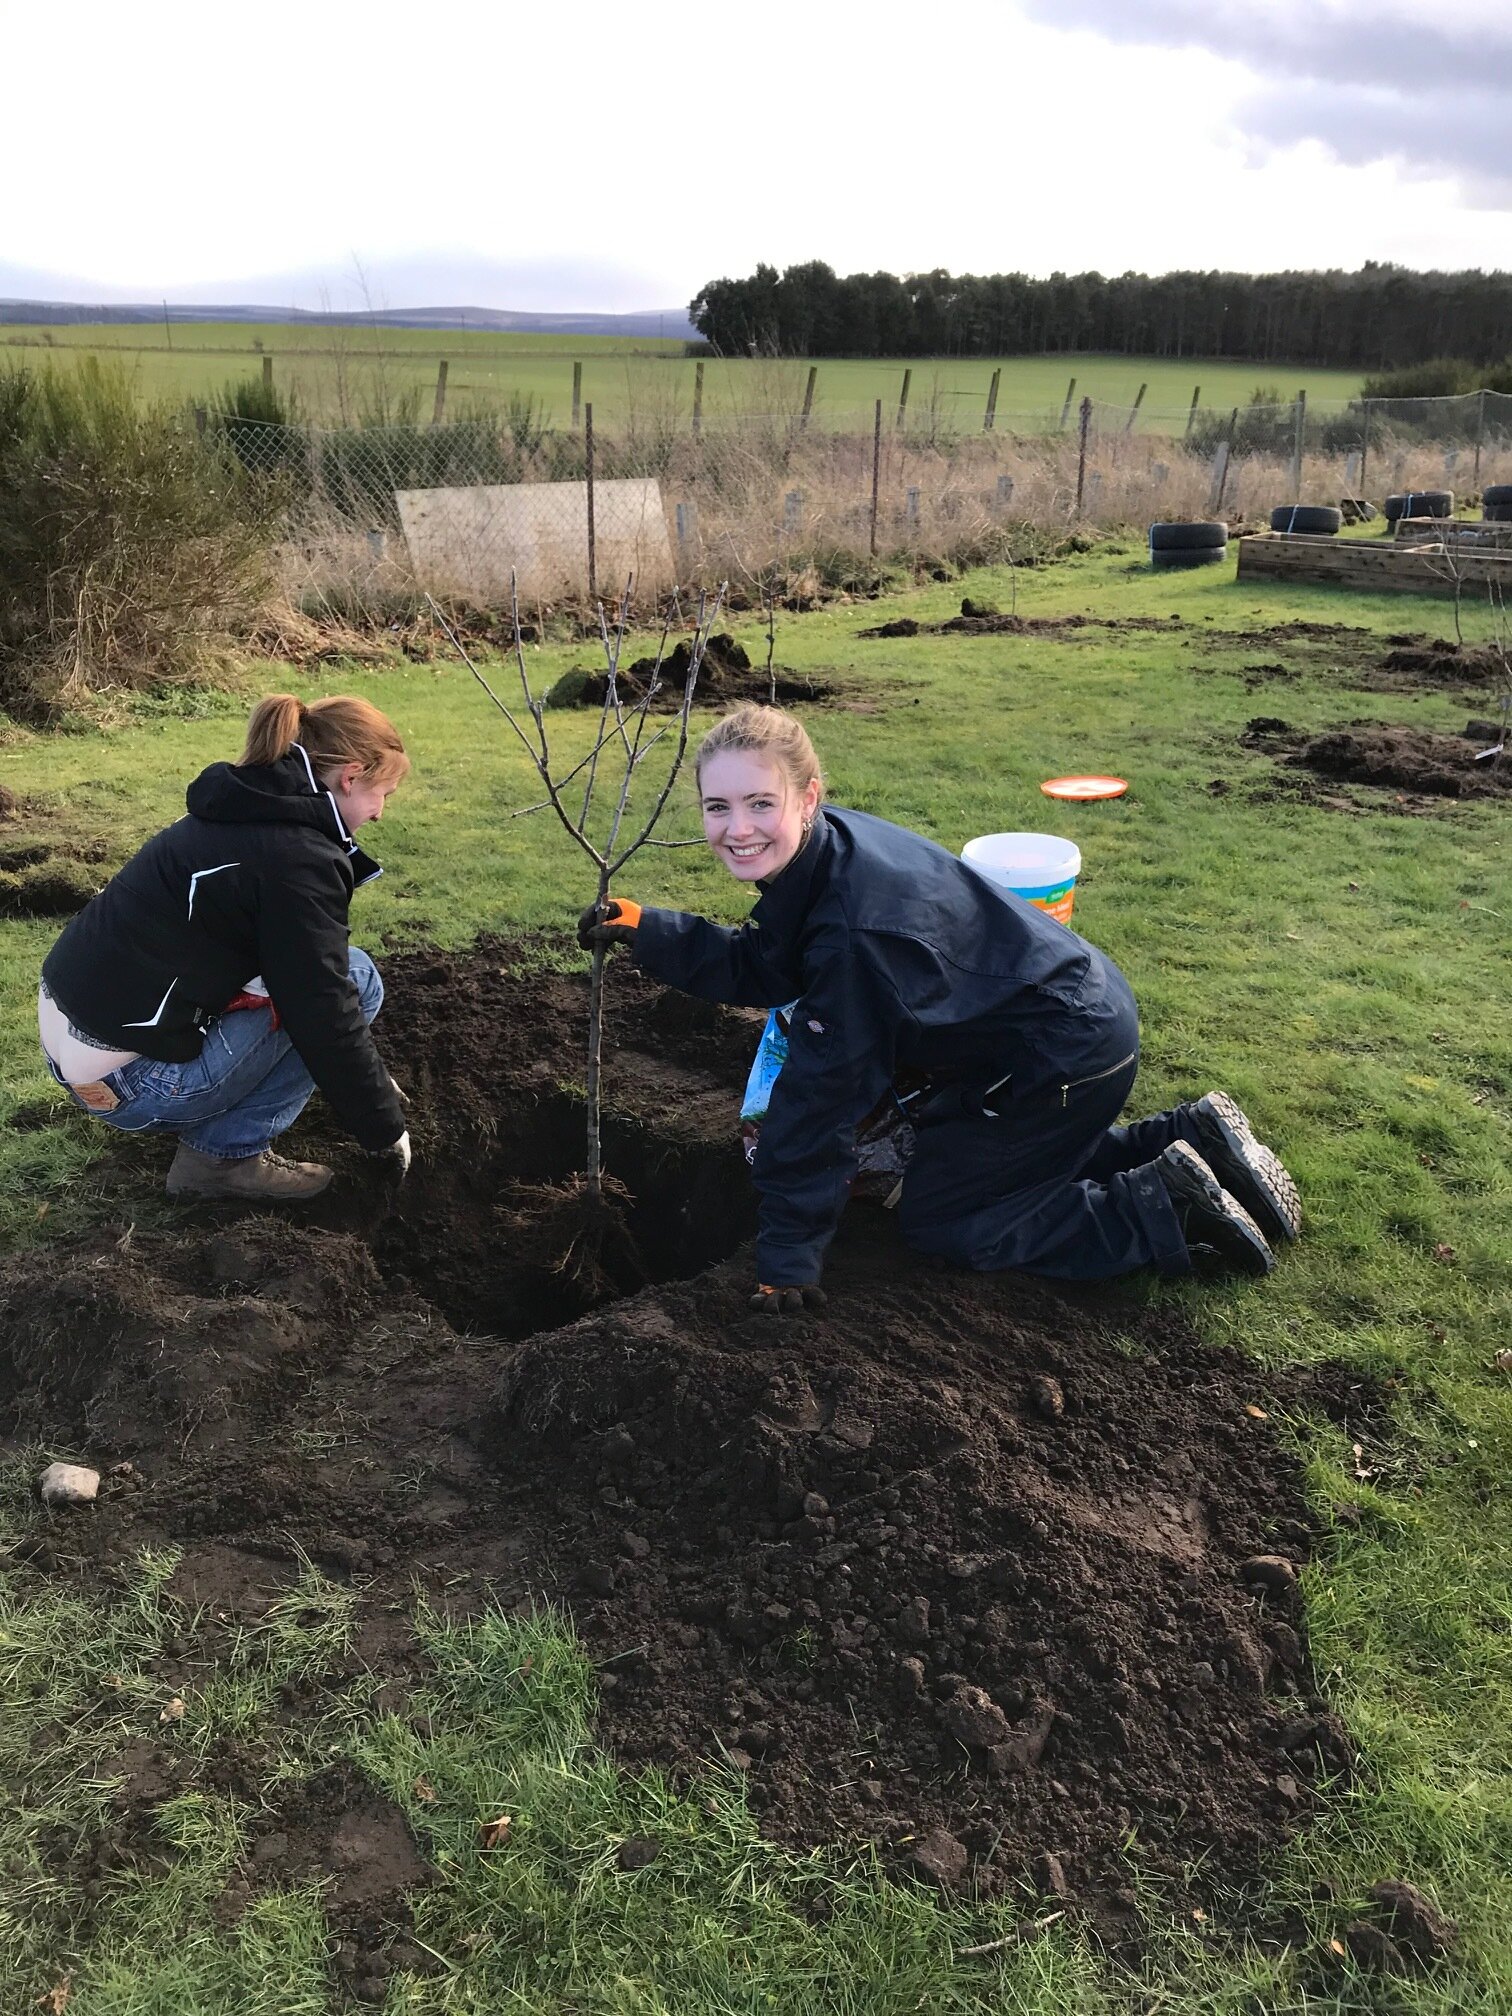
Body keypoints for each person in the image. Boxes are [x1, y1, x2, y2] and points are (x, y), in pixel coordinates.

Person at [580, 702, 1301, 1313]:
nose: (738, 828)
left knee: (950, 1219)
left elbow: (818, 1100)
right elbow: (766, 962)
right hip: (1062, 1018)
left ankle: (1159, 1213)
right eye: (718, 807)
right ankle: (1191, 1139)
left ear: (806, 797)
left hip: (1059, 1054)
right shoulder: (825, 853)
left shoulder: (852, 940)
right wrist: (650, 929)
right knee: (971, 1158)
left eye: (759, 804)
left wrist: (789, 1256)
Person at [37, 693, 412, 1201]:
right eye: (383, 792)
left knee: (316, 978)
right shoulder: (299, 858)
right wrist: (384, 1127)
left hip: (67, 1045)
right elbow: (323, 1009)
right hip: (134, 1088)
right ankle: (222, 1160)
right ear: (350, 776)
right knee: (356, 979)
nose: (381, 813)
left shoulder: (234, 805)